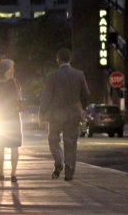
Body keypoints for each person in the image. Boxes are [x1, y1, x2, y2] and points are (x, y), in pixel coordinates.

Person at [39, 48, 90, 181]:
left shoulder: (52, 76)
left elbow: (45, 97)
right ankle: (69, 173)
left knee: (53, 141)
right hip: (73, 114)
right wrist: (82, 108)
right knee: (71, 144)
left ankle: (58, 161)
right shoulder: (79, 74)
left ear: (58, 59)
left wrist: (42, 115)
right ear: (70, 59)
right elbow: (85, 94)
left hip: (55, 115)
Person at [0, 59, 23, 183]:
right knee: (14, 147)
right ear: (8, 70)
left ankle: (1, 171)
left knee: (0, 145)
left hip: (0, 117)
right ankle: (13, 173)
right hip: (13, 117)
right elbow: (19, 98)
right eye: (12, 68)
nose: (14, 70)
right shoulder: (14, 82)